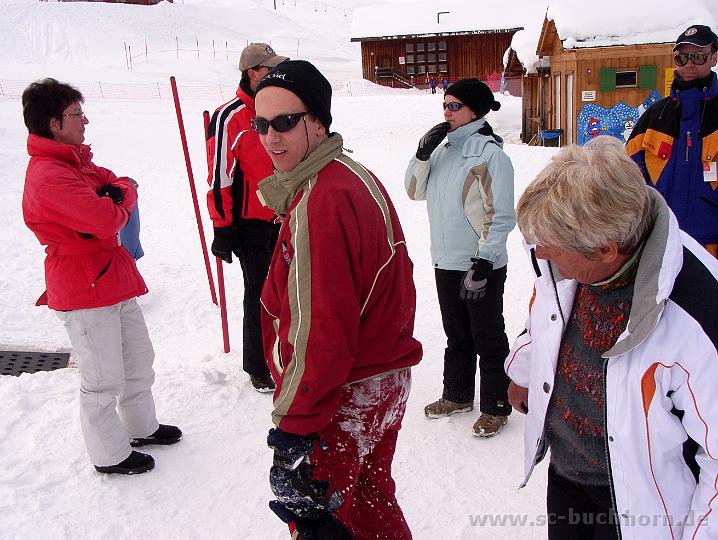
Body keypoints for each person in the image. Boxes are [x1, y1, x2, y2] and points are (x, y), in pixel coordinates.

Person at [506, 136, 718, 539]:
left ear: (606, 250)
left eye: (552, 247)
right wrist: (525, 372)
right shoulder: (570, 257)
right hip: (568, 477)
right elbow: (545, 314)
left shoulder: (696, 312)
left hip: (641, 503)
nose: (541, 255)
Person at [254, 60, 422, 538]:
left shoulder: (321, 201)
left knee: (322, 521)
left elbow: (319, 329)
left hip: (340, 396)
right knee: (369, 505)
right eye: (262, 124)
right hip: (380, 381)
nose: (271, 137)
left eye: (285, 121)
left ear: (318, 122)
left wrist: (295, 427)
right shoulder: (347, 174)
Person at [21, 78, 181, 475]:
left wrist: (118, 193)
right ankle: (109, 455)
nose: (85, 120)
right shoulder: (49, 176)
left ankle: (141, 427)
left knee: (137, 360)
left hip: (112, 276)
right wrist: (118, 199)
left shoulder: (77, 163)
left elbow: (119, 184)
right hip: (82, 285)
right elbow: (105, 219)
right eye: (76, 114)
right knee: (102, 377)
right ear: (54, 123)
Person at [404, 78, 515, 437]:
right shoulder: (442, 151)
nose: (447, 112)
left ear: (475, 111)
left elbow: (501, 215)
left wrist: (484, 262)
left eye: (455, 106)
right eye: (445, 105)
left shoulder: (489, 155)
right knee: (457, 334)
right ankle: (457, 395)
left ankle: (496, 405)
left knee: (488, 336)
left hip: (479, 263)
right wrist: (422, 154)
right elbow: (414, 191)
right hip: (446, 261)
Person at [206, 43, 288, 392]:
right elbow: (219, 177)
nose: (277, 74)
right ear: (253, 73)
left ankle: (286, 352)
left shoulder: (280, 108)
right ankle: (258, 365)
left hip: (284, 214)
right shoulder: (231, 116)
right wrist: (222, 227)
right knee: (260, 293)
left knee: (288, 288)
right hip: (250, 223)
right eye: (270, 69)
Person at [627, 25, 718, 258]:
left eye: (698, 56)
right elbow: (625, 180)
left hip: (711, 250)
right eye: (682, 58)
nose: (689, 64)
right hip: (660, 246)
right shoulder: (654, 118)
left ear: (714, 58)